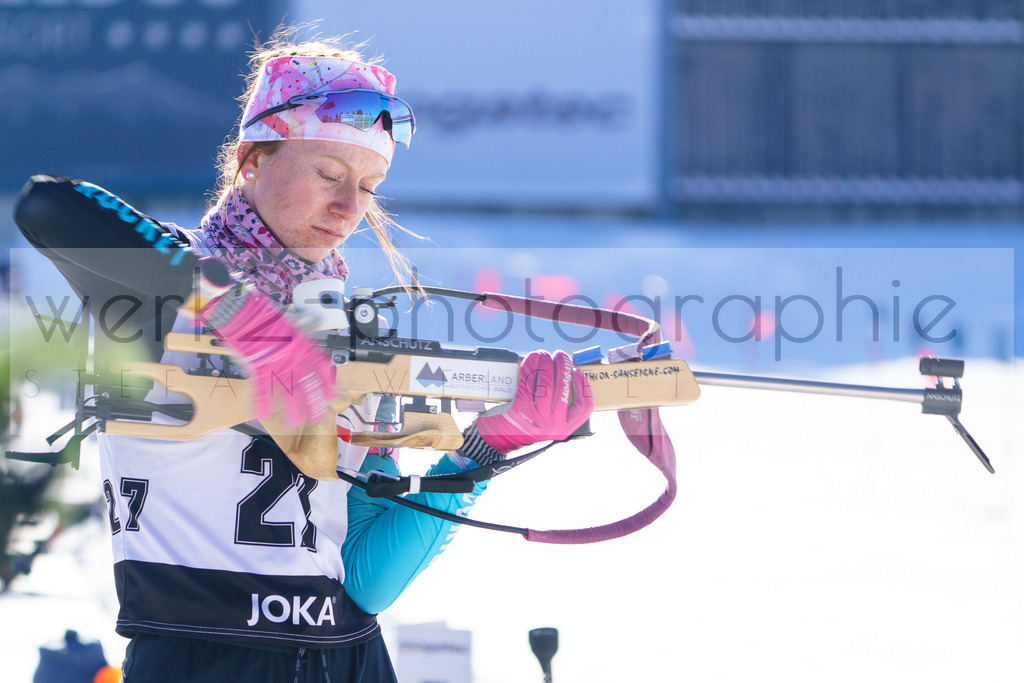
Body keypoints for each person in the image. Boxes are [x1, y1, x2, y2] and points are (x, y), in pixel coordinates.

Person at [14, 29, 593, 682]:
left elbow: (366, 583)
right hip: (197, 655)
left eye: (370, 186)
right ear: (252, 158)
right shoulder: (158, 279)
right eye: (329, 175)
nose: (349, 208)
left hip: (350, 660)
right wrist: (246, 317)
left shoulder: (351, 334)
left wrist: (486, 447)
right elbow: (49, 205)